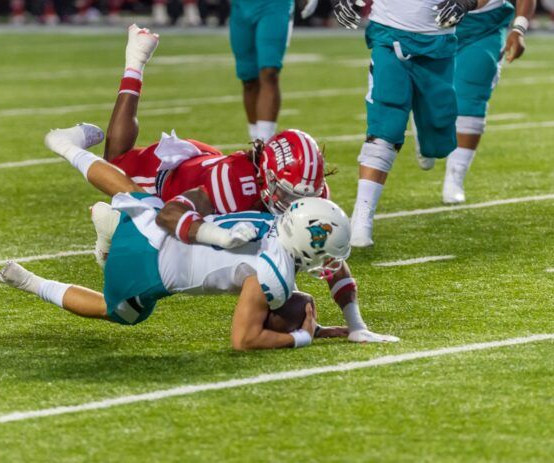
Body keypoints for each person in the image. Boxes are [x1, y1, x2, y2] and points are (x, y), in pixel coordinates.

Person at [43, 25, 390, 343]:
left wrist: (356, 324)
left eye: (301, 194)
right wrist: (218, 237)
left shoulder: (305, 191)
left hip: (207, 177)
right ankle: (131, 65)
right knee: (118, 163)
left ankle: (113, 229)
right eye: (285, 192)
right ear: (268, 176)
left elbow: (327, 255)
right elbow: (172, 215)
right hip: (177, 180)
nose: (291, 201)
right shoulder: (235, 186)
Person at [0, 193, 399, 350]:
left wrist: (352, 325)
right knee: (118, 312)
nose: (330, 264)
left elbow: (332, 263)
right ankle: (31, 281)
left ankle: (109, 224)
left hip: (154, 223)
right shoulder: (274, 274)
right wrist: (301, 337)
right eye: (326, 254)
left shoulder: (275, 223)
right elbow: (243, 340)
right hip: (146, 268)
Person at [329, 0, 490, 247]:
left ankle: (422, 124)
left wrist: (466, 3)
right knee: (386, 123)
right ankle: (362, 217)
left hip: (438, 44)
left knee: (438, 134)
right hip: (388, 35)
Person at [417, 0, 536, 204]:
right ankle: (425, 130)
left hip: (485, 24)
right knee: (426, 91)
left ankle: (455, 177)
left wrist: (519, 28)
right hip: (431, 19)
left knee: (473, 95)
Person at [229, 0, 322, 142]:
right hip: (240, 6)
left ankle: (264, 142)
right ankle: (255, 141)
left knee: (269, 72)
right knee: (248, 79)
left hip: (275, 5)